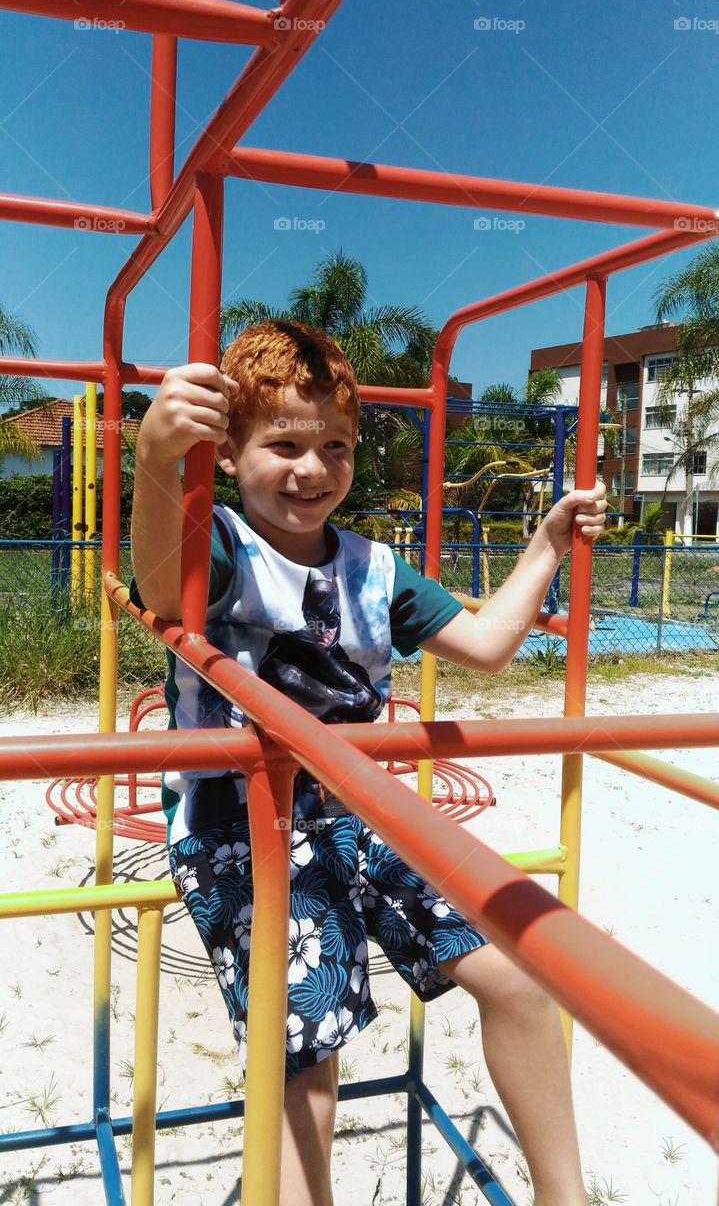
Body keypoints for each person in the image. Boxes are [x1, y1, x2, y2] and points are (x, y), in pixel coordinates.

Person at [131, 320, 606, 1206]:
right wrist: (159, 463)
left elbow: (489, 645)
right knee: (309, 1039)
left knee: (521, 973)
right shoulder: (226, 546)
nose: (312, 470)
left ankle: (563, 1198)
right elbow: (164, 589)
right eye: (283, 444)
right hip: (242, 828)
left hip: (359, 812)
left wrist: (544, 543)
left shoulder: (375, 569)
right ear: (228, 453)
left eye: (335, 446)